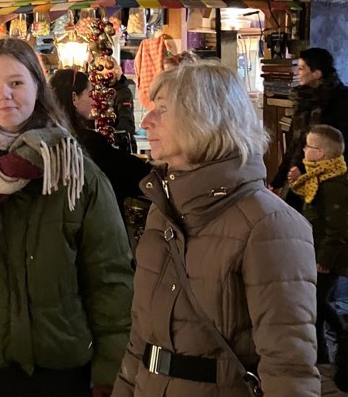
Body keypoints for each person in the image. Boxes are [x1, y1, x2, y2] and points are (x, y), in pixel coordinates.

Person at [0, 38, 134, 397]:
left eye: (16, 82)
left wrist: (110, 367)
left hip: (63, 368)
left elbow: (109, 276)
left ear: (37, 87)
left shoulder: (76, 174)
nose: (6, 94)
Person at [112, 59, 320, 397]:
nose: (146, 121)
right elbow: (141, 338)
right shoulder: (163, 212)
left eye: (162, 110)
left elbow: (288, 365)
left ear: (204, 117)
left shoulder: (269, 225)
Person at [289, 124, 348, 389]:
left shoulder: (335, 184)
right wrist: (294, 182)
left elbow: (338, 227)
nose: (304, 150)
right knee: (315, 305)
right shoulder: (317, 176)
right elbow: (308, 199)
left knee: (316, 302)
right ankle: (322, 356)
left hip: (329, 258)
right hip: (314, 250)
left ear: (321, 154)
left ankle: (342, 335)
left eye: (309, 147)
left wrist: (325, 259)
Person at [49, 68, 150, 207]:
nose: (94, 101)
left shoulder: (48, 137)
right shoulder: (87, 142)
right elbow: (136, 175)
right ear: (74, 98)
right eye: (90, 94)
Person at [271, 47, 348, 207]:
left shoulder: (341, 100)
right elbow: (293, 144)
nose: (296, 73)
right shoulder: (303, 99)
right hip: (297, 174)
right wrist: (278, 180)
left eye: (301, 68)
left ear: (317, 74)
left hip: (327, 178)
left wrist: (303, 168)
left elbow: (339, 145)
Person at [110, 60, 137, 154]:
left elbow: (125, 121)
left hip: (122, 148)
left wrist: (112, 138)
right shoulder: (98, 93)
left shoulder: (124, 93)